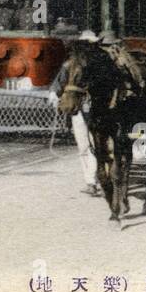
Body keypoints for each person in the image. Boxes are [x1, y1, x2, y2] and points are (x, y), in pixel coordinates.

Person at [52, 33, 98, 196]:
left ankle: (96, 179)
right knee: (84, 146)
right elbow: (58, 84)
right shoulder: (70, 64)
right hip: (79, 109)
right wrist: (56, 94)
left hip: (95, 109)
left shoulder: (98, 64)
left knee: (93, 145)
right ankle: (91, 181)